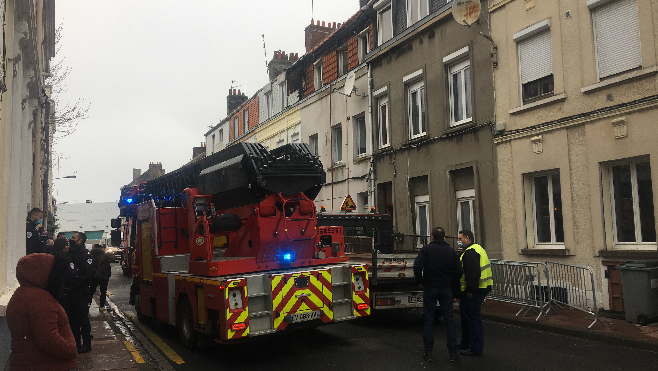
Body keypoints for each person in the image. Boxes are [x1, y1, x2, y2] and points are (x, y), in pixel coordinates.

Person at [6, 253, 78, 371]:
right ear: (43, 273)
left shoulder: (21, 293)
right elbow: (49, 339)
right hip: (48, 364)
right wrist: (71, 349)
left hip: (30, 362)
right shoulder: (41, 300)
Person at [413, 226, 463, 363]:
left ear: (432, 237)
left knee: (429, 319)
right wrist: (452, 283)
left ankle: (428, 353)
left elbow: (417, 266)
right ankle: (452, 354)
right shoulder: (451, 251)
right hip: (446, 288)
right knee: (449, 320)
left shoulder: (426, 250)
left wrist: (421, 281)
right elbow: (458, 270)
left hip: (430, 287)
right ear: (445, 238)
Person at [457, 229, 493, 357]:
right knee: (466, 317)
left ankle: (476, 348)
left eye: (460, 239)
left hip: (475, 291)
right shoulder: (476, 249)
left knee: (473, 319)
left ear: (467, 238)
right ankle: (465, 343)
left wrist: (470, 290)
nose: (459, 241)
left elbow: (472, 273)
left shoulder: (471, 252)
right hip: (478, 289)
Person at [64, 232, 95, 354]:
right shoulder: (69, 253)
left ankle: (86, 343)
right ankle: (76, 343)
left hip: (81, 292)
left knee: (82, 319)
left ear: (80, 241)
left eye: (73, 238)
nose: (70, 240)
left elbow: (87, 275)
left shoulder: (86, 255)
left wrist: (76, 282)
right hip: (70, 292)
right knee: (72, 319)